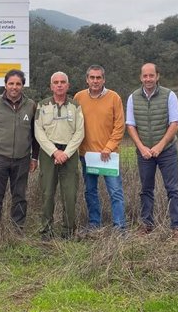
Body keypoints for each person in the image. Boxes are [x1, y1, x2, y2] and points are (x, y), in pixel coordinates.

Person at [0, 69, 39, 247]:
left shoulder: (31, 105)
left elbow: (36, 134)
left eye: (18, 84)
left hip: (22, 159)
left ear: (22, 85)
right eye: (11, 83)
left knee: (19, 196)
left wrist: (34, 158)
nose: (14, 87)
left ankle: (17, 232)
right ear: (5, 84)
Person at [126, 63, 178, 240]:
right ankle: (146, 225)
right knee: (146, 189)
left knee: (173, 189)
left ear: (157, 76)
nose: (148, 79)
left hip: (166, 150)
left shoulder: (169, 95)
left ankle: (176, 227)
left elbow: (175, 122)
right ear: (140, 77)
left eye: (151, 76)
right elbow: (130, 125)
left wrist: (160, 146)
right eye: (145, 76)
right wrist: (141, 147)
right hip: (144, 152)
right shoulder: (133, 97)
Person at [73, 65, 127, 231]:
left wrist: (109, 147)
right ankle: (94, 224)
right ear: (87, 79)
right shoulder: (78, 97)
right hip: (87, 156)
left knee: (115, 192)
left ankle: (119, 227)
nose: (95, 81)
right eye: (92, 78)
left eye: (98, 78)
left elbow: (119, 126)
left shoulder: (114, 98)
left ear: (104, 79)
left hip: (108, 156)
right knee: (90, 192)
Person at [34, 72, 85, 240]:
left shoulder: (75, 106)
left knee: (69, 195)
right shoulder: (42, 106)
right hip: (49, 153)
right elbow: (38, 131)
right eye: (56, 82)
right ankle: (46, 231)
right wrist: (54, 152)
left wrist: (66, 153)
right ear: (51, 86)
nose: (59, 85)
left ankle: (69, 231)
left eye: (63, 82)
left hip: (69, 154)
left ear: (68, 85)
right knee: (47, 193)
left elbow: (80, 132)